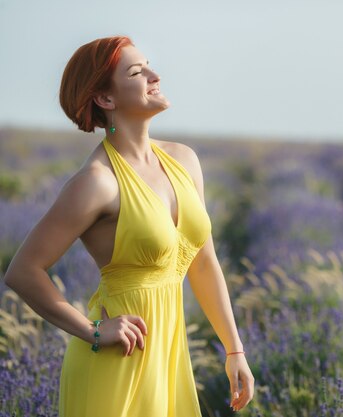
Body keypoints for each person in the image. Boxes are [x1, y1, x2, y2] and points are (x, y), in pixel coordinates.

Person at [4, 35, 254, 416]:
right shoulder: (97, 181)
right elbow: (23, 271)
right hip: (119, 360)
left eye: (149, 65)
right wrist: (91, 331)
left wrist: (234, 349)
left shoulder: (184, 160)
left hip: (169, 357)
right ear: (106, 99)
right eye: (138, 72)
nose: (155, 75)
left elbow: (203, 262)